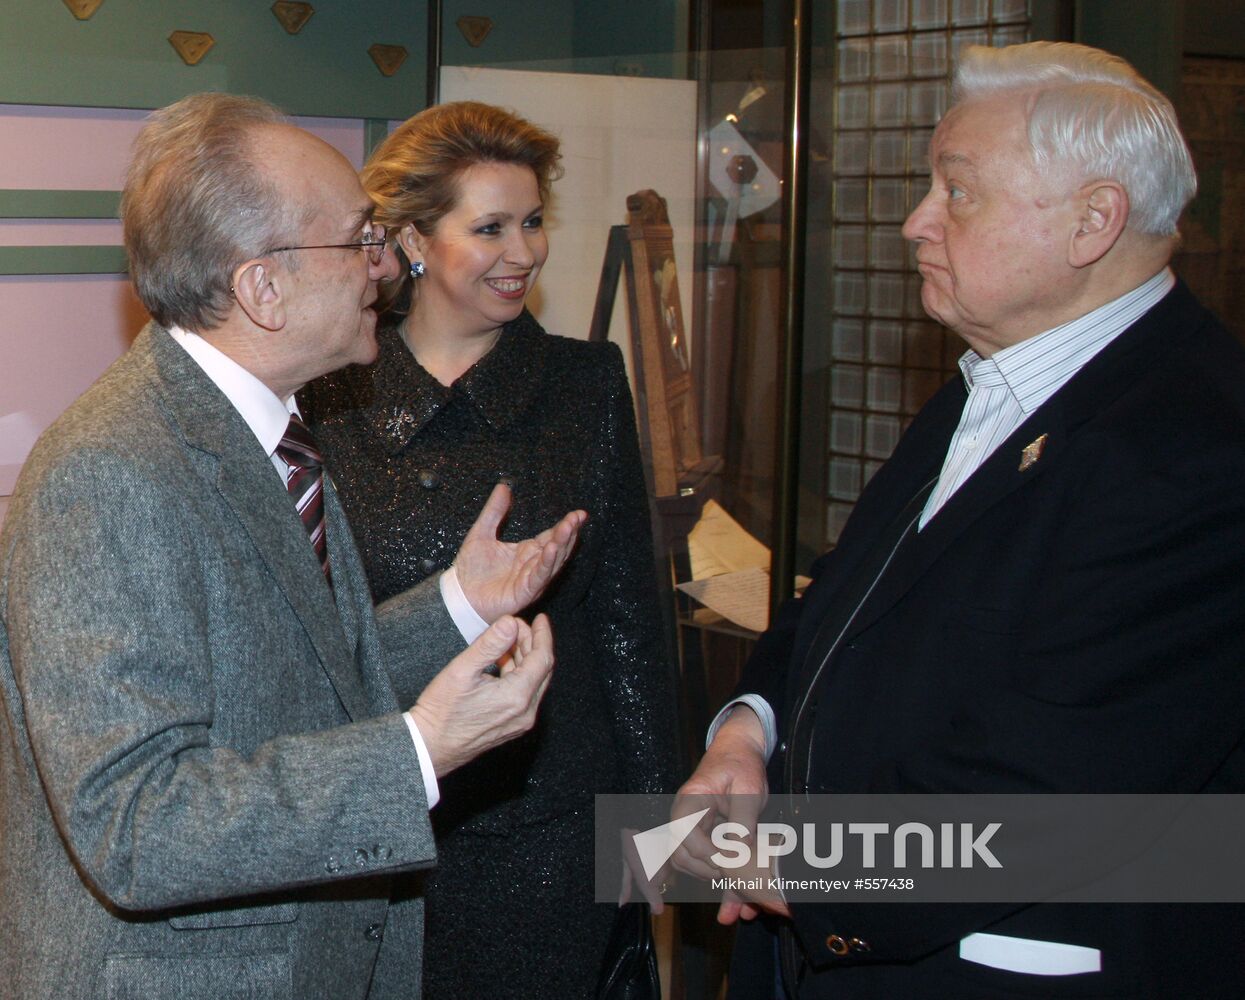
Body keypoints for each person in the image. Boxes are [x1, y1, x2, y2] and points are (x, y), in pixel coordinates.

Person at [673, 41, 1245, 999]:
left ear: (1092, 221)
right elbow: (838, 616)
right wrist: (746, 733)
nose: (915, 223)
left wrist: (785, 867)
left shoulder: (1197, 447)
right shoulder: (993, 381)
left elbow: (1053, 793)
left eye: (957, 189)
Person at [0, 92, 588, 1000]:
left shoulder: (271, 435)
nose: (383, 267)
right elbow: (138, 823)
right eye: (359, 239)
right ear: (260, 288)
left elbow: (293, 685)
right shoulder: (110, 471)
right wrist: (421, 750)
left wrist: (458, 607)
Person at [301, 101, 678, 998]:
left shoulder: (586, 384)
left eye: (534, 220)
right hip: (387, 827)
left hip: (550, 828)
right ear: (414, 241)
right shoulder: (329, 395)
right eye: (491, 227)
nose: (525, 252)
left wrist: (661, 841)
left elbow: (629, 619)